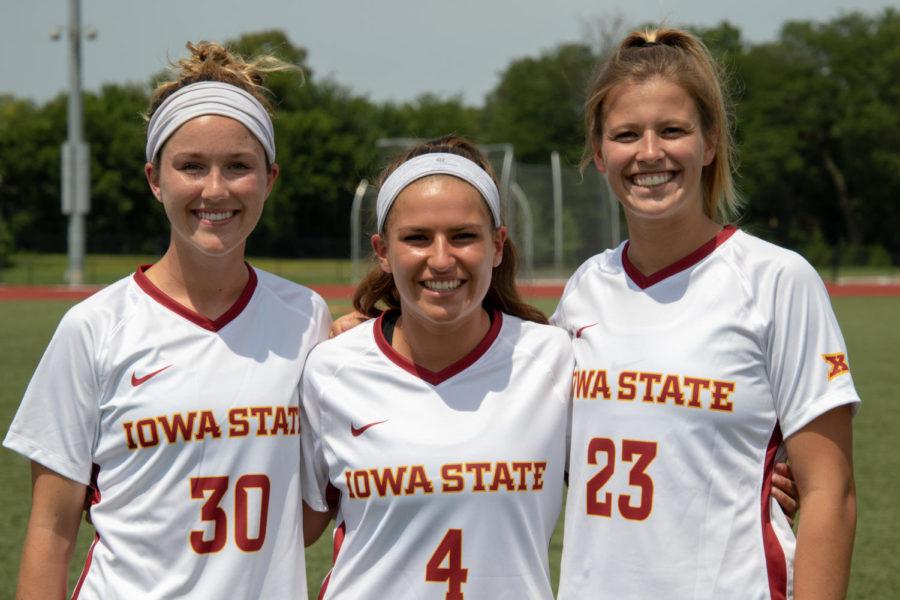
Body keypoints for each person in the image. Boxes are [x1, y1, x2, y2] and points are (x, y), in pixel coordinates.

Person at [4, 42, 330, 598]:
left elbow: (312, 506)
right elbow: (51, 531)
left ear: (270, 179)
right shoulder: (94, 328)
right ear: (156, 179)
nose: (215, 190)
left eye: (238, 167)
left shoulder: (307, 318)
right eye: (191, 167)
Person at [554, 27, 859, 599]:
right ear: (599, 153)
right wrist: (375, 333)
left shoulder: (776, 280)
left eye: (673, 130)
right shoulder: (583, 290)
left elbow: (830, 493)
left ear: (709, 142)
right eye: (626, 135)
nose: (650, 153)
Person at [300, 136, 573, 598]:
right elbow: (297, 530)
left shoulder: (553, 360)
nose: (441, 259)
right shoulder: (332, 369)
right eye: (417, 238)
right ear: (383, 251)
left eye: (464, 236)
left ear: (498, 245)